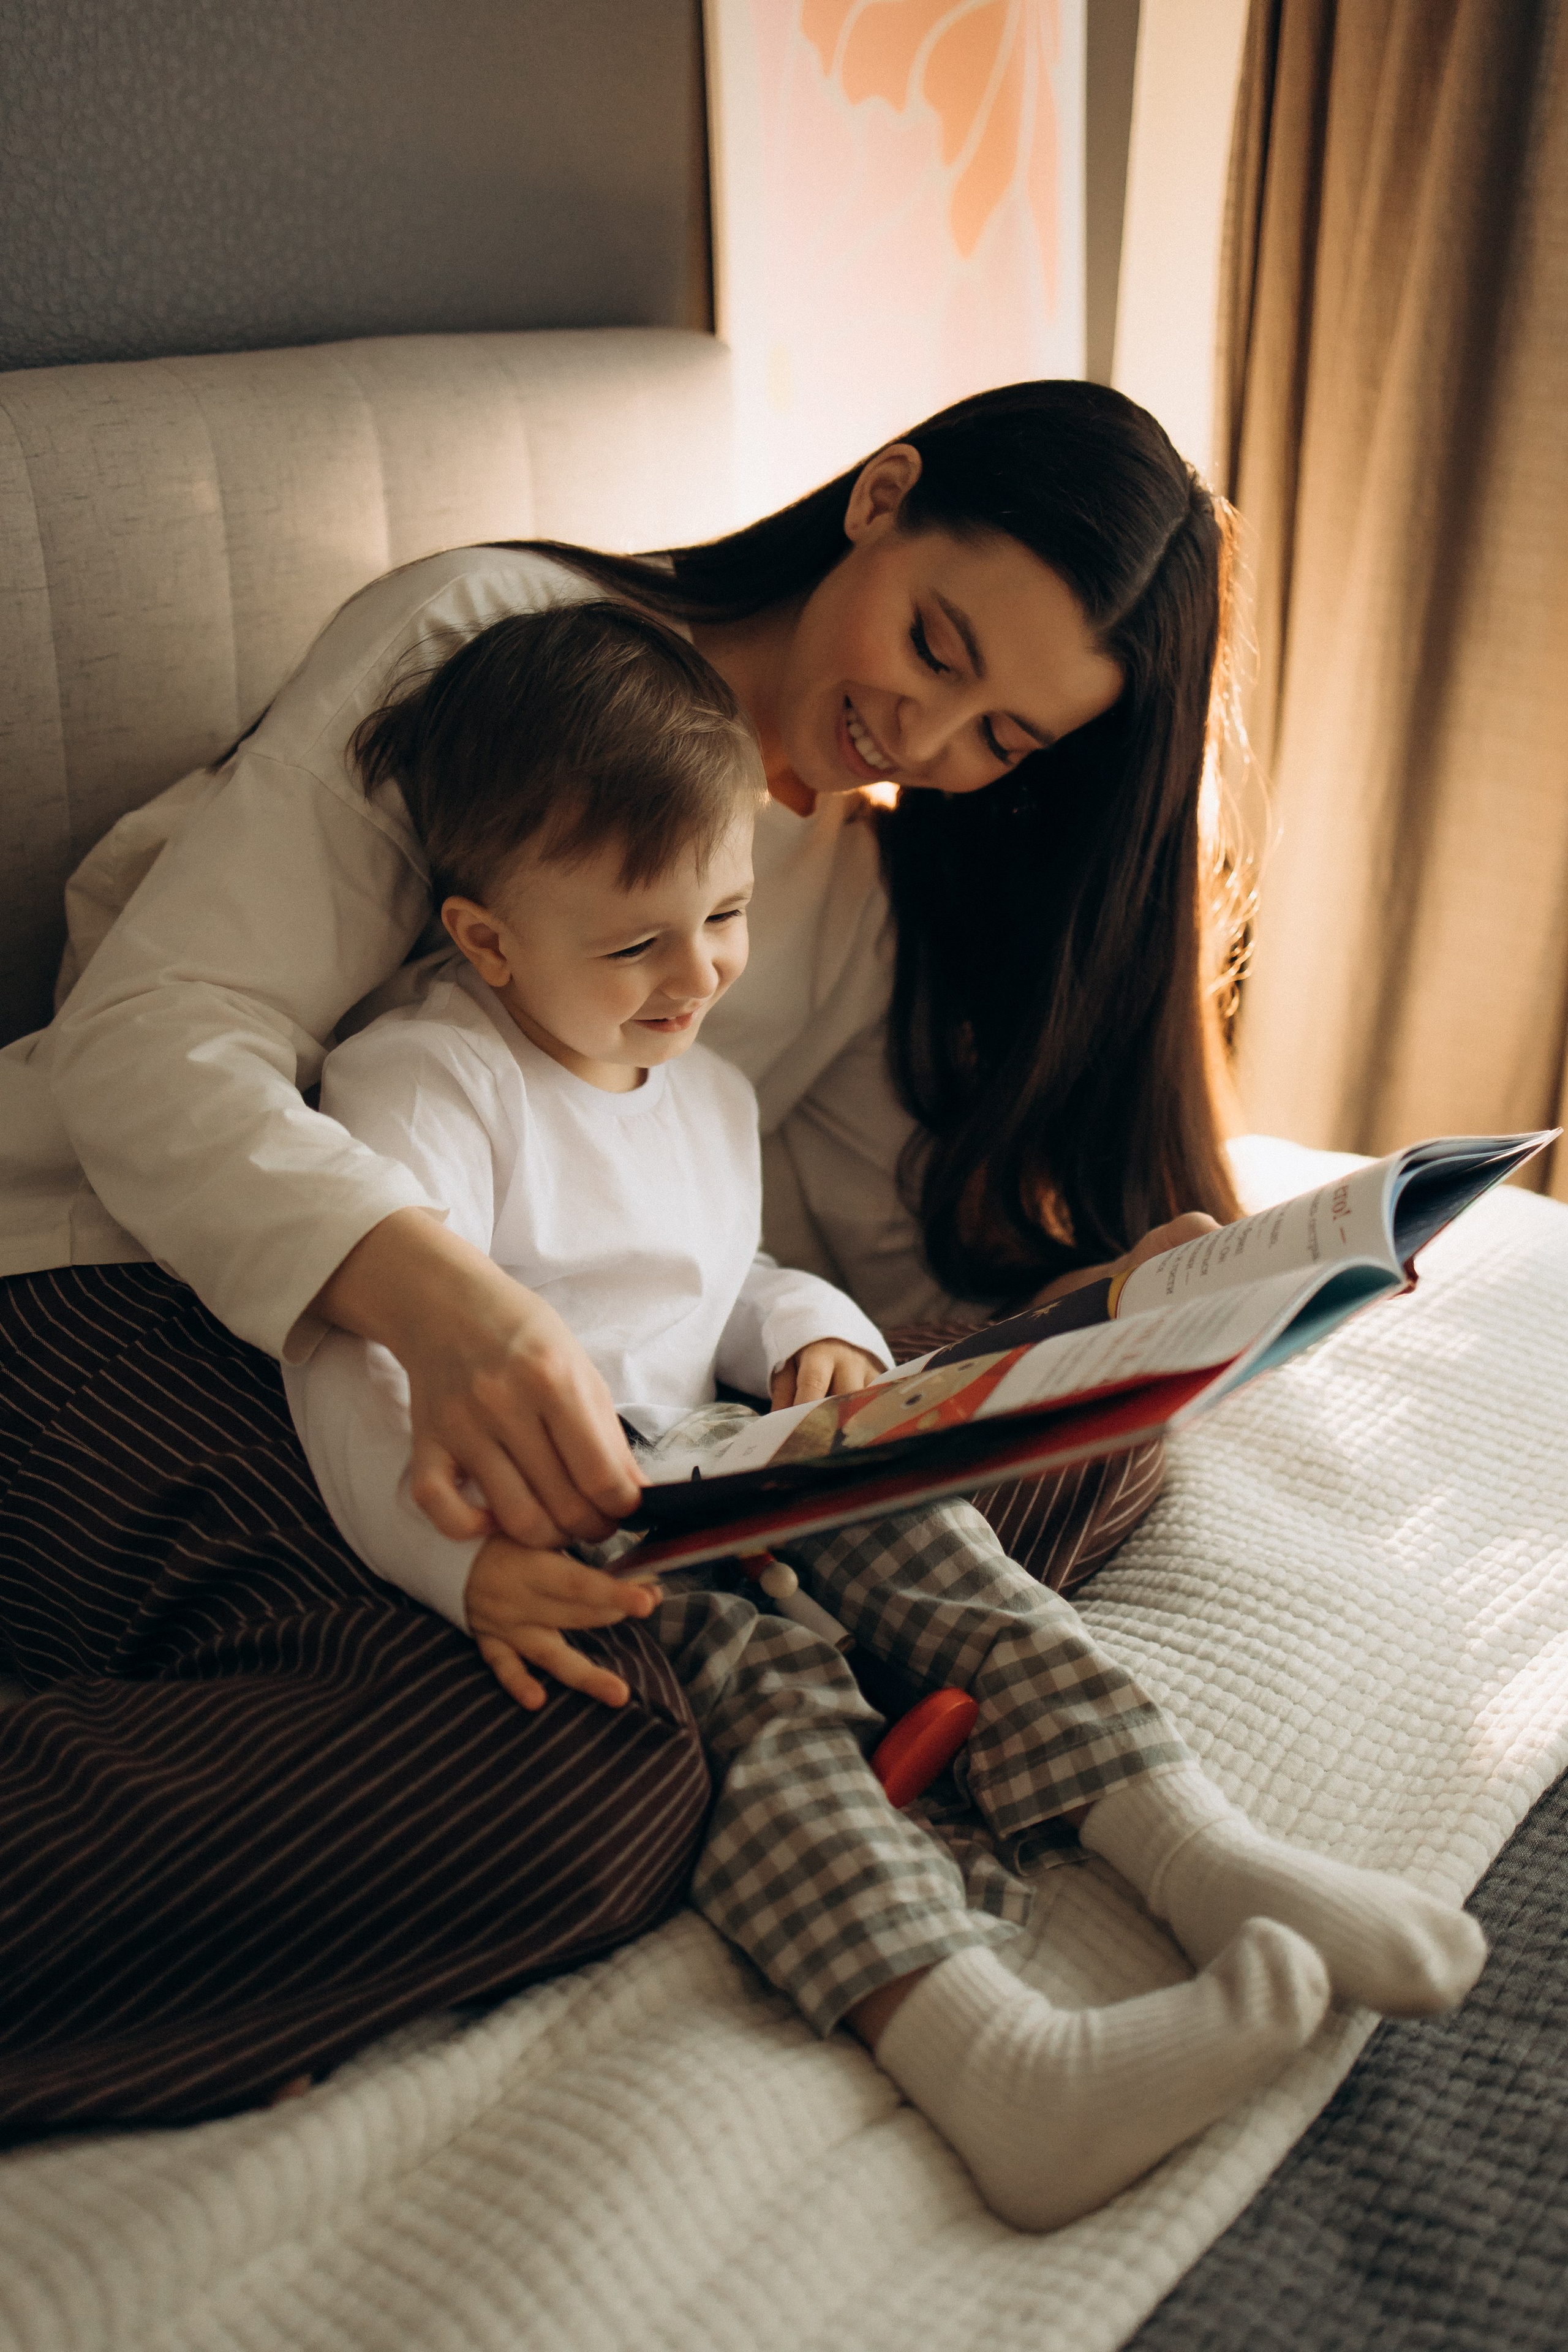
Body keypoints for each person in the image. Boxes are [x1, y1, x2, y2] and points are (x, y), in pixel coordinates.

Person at [0, 382, 1246, 2127]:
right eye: (938, 645)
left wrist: (1107, 1320)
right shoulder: (497, 652)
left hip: (525, 1396)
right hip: (106, 1279)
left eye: (1000, 738)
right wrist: (437, 1295)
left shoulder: (841, 889)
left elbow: (819, 1272)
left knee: (1041, 1444)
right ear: (882, 497)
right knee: (593, 1774)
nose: (925, 729)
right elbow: (151, 1035)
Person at [285, 601, 1485, 2234]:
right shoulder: (430, 1079)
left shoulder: (698, 1086)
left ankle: (1203, 1854)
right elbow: (348, 1359)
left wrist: (818, 1346)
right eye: (636, 945)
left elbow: (733, 1277)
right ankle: (993, 2060)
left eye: (721, 917)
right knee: (760, 1690)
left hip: (726, 1455)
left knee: (949, 1551)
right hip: (564, 1514)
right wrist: (460, 1576)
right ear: (488, 941)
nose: (696, 976)